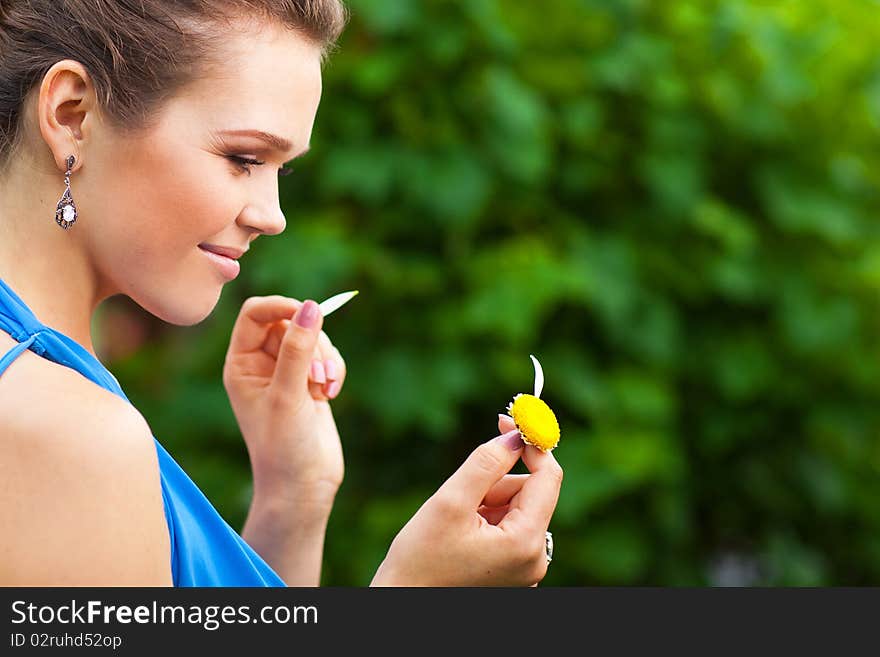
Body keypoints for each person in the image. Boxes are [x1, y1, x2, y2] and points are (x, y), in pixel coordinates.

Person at [0, 0, 563, 586]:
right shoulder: (63, 434)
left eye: (282, 170)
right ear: (71, 115)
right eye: (243, 158)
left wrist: (292, 497)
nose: (272, 216)